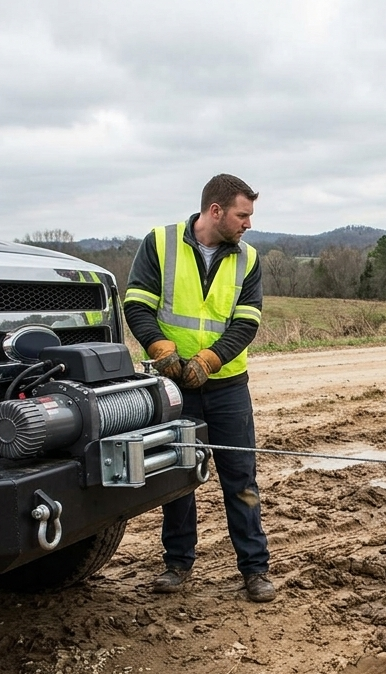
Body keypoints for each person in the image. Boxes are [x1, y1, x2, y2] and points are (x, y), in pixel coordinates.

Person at [123, 174, 274, 602]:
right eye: (242, 215)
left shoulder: (248, 258)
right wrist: (160, 348)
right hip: (174, 385)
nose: (248, 224)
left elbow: (247, 321)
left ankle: (255, 569)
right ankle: (177, 563)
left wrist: (210, 360)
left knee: (241, 480)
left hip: (227, 387)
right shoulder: (160, 243)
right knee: (177, 477)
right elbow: (137, 304)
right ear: (215, 210)